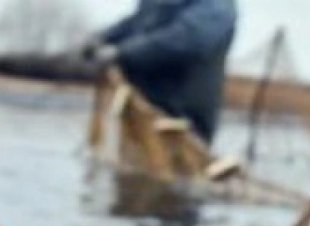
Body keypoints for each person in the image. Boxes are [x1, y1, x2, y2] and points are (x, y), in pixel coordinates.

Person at [84, 0, 238, 145]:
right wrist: (103, 38)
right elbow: (138, 22)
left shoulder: (217, 5)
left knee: (177, 171)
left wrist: (121, 53)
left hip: (182, 118)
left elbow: (188, 38)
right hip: (142, 111)